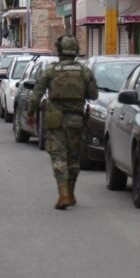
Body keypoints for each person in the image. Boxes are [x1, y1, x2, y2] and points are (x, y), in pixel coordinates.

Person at [27, 35, 99, 210]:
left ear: (59, 51)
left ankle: (63, 194)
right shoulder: (84, 71)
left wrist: (31, 114)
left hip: (55, 119)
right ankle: (71, 193)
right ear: (75, 51)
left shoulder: (51, 71)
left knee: (58, 156)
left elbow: (36, 94)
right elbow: (93, 95)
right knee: (73, 158)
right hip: (76, 120)